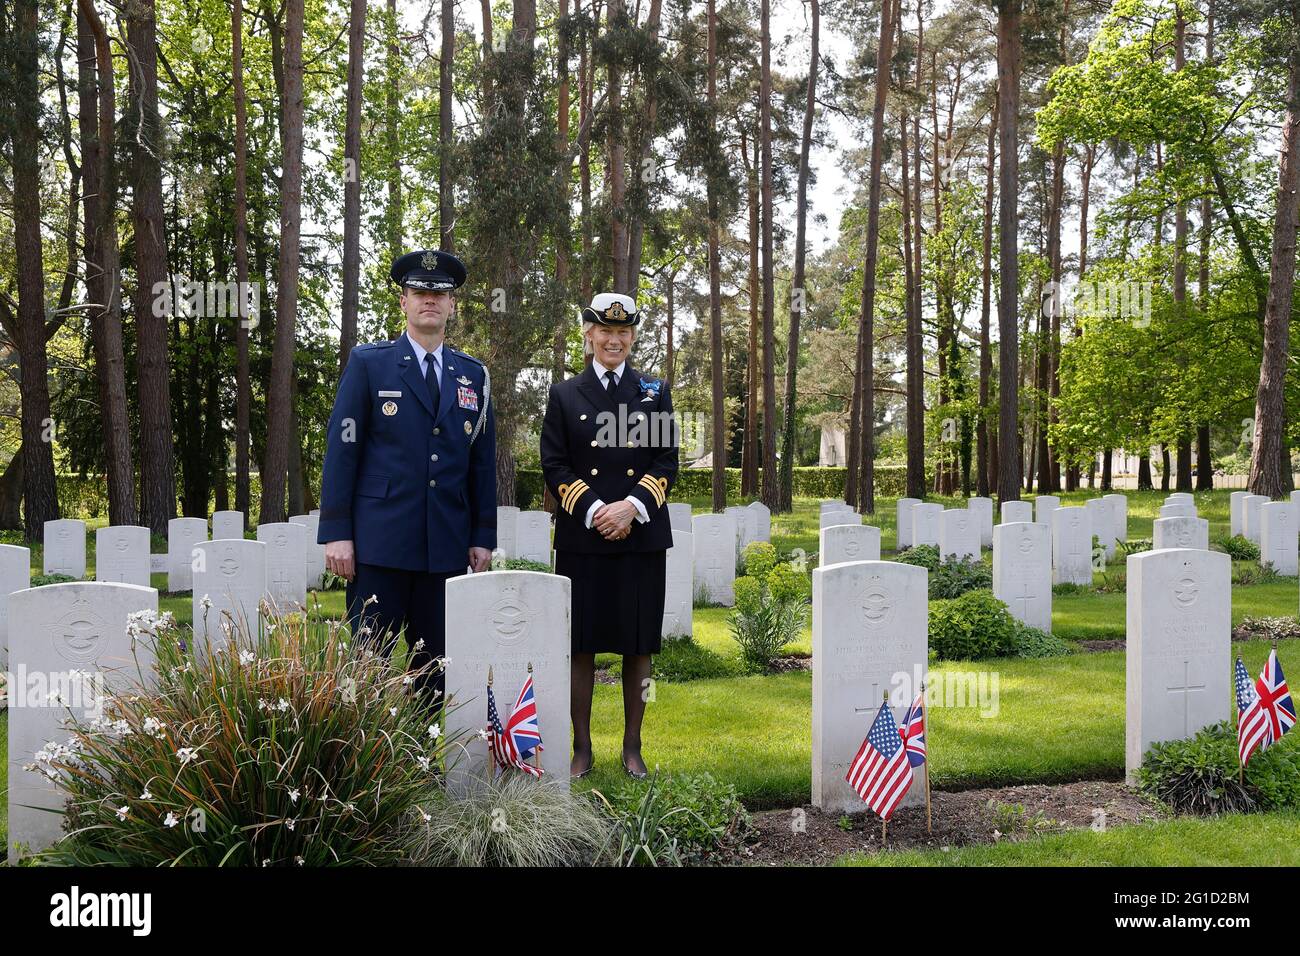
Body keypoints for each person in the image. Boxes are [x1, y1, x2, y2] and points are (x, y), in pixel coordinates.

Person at [317, 249, 496, 707]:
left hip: (445, 547)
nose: (429, 301)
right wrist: (337, 534)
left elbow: (480, 463)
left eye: (439, 294)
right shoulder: (369, 364)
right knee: (366, 664)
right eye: (420, 292)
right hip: (380, 544)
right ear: (403, 302)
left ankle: (422, 768)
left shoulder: (473, 376)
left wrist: (482, 537)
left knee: (435, 666)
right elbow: (342, 450)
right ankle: (359, 767)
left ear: (452, 304)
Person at [540, 292, 679, 778]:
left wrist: (632, 507)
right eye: (605, 331)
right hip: (584, 536)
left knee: (637, 646)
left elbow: (666, 461)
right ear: (589, 335)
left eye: (623, 332)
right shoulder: (564, 395)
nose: (614, 339)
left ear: (632, 337)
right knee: (581, 645)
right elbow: (554, 463)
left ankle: (632, 747)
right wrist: (597, 509)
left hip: (640, 536)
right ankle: (581, 748)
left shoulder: (653, 392)